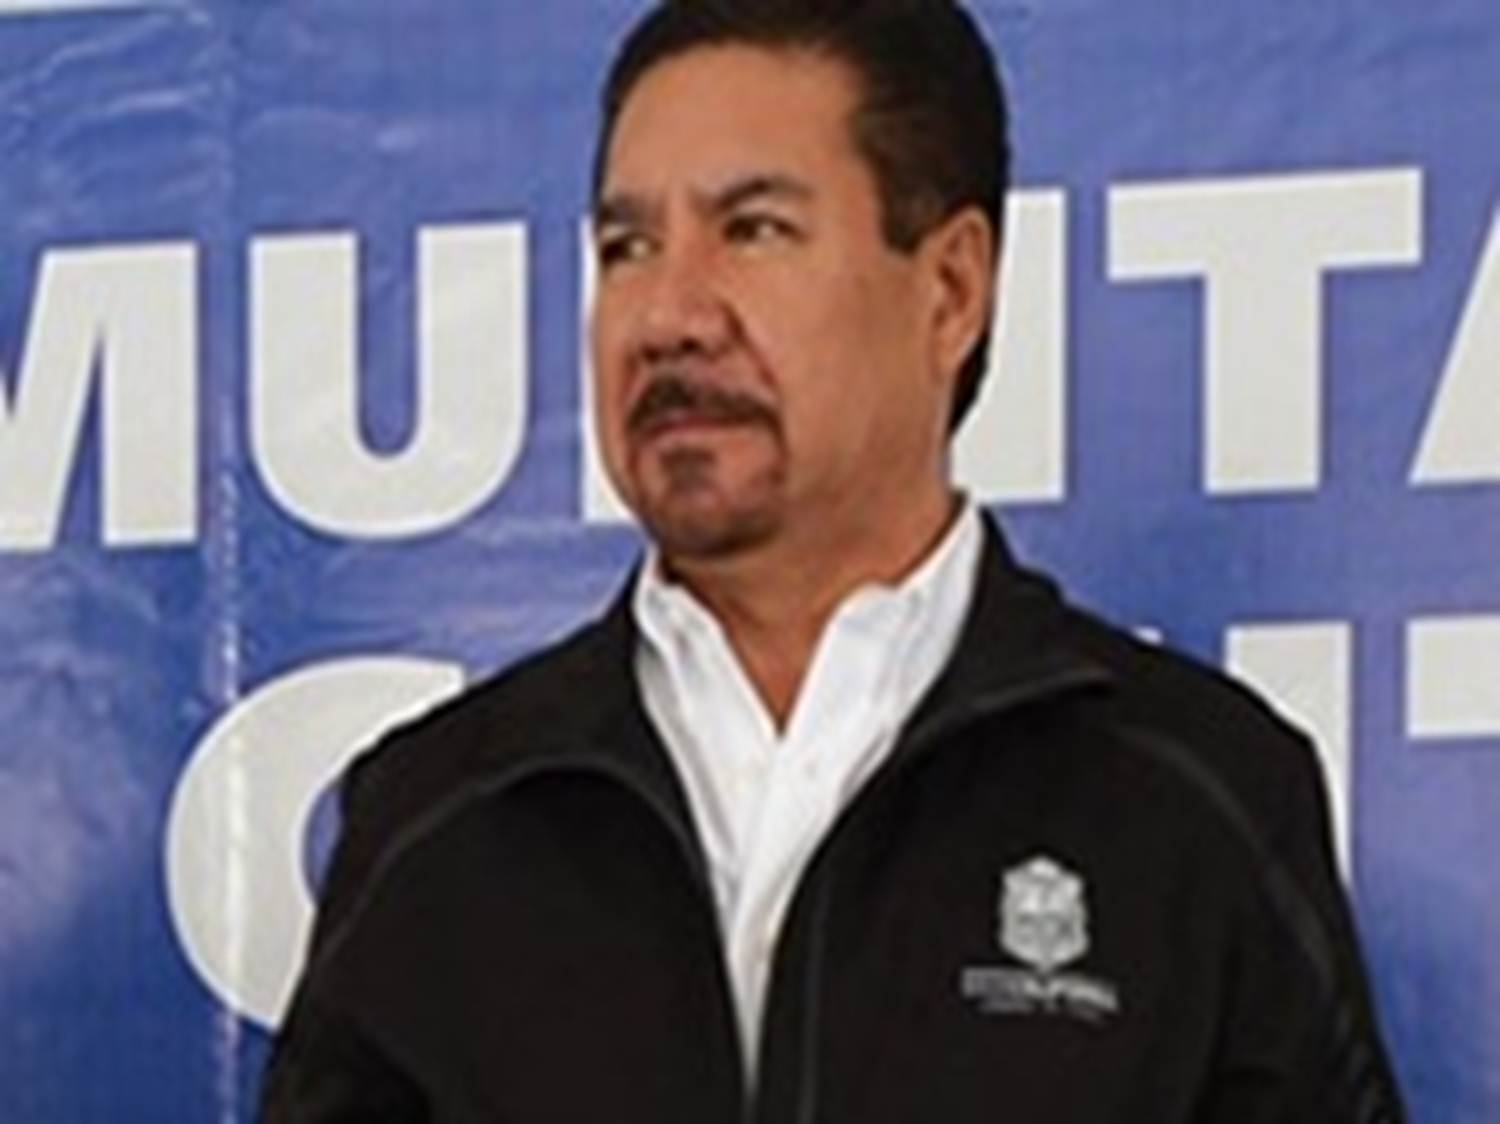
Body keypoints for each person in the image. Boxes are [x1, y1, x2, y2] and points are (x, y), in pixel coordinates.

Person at [260, 1, 1406, 1120]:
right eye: (627, 246)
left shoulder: (1198, 799)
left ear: (951, 291)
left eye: (753, 229)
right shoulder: (438, 818)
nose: (668, 314)